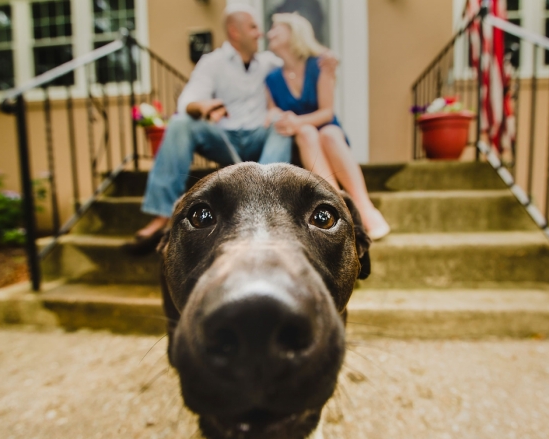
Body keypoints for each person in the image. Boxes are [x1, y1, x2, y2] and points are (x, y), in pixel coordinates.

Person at [125, 5, 293, 254]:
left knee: (282, 124)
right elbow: (187, 103)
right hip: (224, 140)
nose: (260, 34)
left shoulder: (269, 63)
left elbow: (301, 64)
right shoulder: (212, 62)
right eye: (253, 27)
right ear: (235, 32)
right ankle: (162, 216)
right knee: (182, 122)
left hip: (260, 136)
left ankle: (266, 203)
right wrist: (204, 106)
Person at [264, 13, 391, 240]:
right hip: (302, 140)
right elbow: (272, 110)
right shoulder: (272, 78)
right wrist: (280, 118)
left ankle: (364, 206)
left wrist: (296, 121)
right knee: (306, 132)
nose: (269, 33)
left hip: (327, 132)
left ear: (293, 33)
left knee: (330, 133)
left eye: (276, 29)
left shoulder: (319, 65)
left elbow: (327, 112)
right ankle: (338, 202)